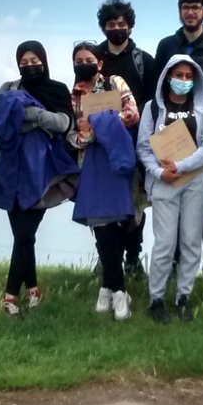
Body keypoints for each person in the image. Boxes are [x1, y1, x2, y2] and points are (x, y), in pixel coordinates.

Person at [0, 41, 78, 317]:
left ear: (44, 60)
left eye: (34, 60)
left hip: (42, 172)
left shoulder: (57, 89)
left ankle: (10, 296)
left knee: (24, 233)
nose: (29, 65)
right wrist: (37, 121)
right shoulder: (9, 88)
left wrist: (30, 115)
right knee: (22, 236)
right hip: (11, 169)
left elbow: (64, 124)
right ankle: (34, 289)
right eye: (23, 62)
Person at [137, 54, 203, 324]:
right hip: (164, 182)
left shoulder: (201, 109)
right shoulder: (152, 108)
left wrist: (182, 166)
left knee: (191, 241)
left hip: (195, 181)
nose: (183, 81)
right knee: (164, 242)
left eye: (188, 76)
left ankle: (183, 297)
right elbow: (144, 148)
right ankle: (156, 299)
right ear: (167, 77)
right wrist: (160, 172)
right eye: (178, 75)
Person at [69, 43, 140, 320]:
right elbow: (75, 136)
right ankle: (114, 288)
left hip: (116, 162)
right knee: (100, 225)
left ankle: (113, 289)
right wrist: (91, 131)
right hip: (90, 167)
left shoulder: (114, 82)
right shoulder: (73, 95)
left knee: (116, 224)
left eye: (89, 59)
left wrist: (96, 126)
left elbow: (131, 115)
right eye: (78, 60)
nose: (83, 63)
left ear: (99, 63)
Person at [95, 0, 158, 276]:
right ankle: (106, 258)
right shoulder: (93, 58)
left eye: (122, 24)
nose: (117, 28)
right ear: (103, 27)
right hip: (100, 143)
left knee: (136, 201)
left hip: (135, 140)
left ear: (130, 27)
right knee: (102, 201)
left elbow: (155, 100)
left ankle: (133, 256)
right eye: (111, 24)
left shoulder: (143, 60)